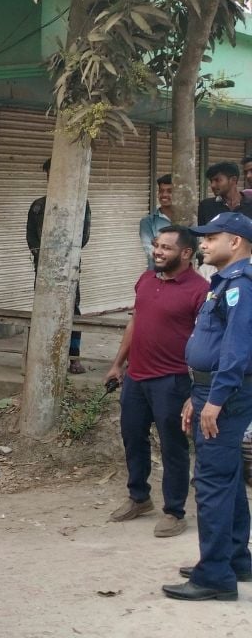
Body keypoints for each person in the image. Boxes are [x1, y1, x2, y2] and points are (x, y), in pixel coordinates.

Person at [162, 212, 252, 601]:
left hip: (223, 394)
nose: (202, 243)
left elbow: (236, 349)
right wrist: (195, 395)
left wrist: (214, 399)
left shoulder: (241, 286)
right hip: (209, 390)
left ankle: (214, 576)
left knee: (212, 482)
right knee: (227, 477)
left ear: (235, 242)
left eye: (210, 237)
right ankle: (234, 558)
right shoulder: (224, 282)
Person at [104, 226, 208, 539]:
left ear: (186, 254)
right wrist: (117, 364)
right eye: (156, 246)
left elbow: (206, 339)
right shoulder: (146, 280)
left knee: (173, 446)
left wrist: (200, 385)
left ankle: (174, 511)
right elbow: (135, 323)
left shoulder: (199, 290)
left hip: (173, 381)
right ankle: (139, 497)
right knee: (133, 438)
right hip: (136, 377)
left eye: (166, 248)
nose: (158, 252)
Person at [26, 158, 91, 374]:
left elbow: (83, 237)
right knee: (42, 310)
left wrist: (62, 255)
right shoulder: (37, 206)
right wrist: (44, 258)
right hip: (43, 270)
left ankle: (73, 357)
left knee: (72, 310)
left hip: (69, 269)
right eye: (49, 175)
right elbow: (31, 239)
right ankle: (41, 355)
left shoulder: (81, 203)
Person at [139, 174, 175, 267]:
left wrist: (160, 245)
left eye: (169, 191)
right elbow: (151, 253)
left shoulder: (187, 219)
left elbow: (193, 248)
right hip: (157, 276)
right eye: (161, 191)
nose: (164, 195)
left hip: (184, 277)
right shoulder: (147, 222)